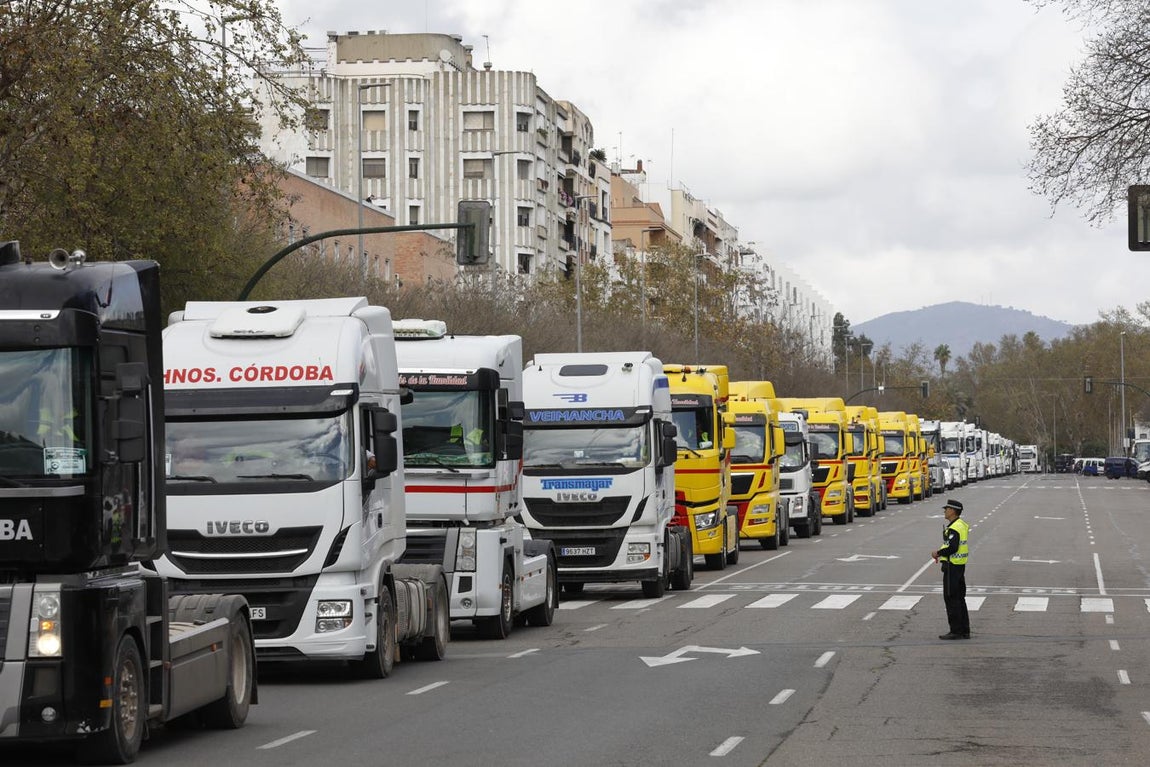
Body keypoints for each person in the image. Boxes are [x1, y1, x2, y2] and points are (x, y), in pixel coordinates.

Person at [931, 498, 970, 640]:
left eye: (946, 509)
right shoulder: (961, 525)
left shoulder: (954, 528)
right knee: (960, 598)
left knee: (951, 598)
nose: (945, 511)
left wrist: (938, 553)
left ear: (953, 511)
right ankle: (964, 630)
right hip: (960, 565)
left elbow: (952, 547)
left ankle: (956, 630)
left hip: (952, 567)